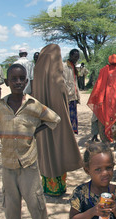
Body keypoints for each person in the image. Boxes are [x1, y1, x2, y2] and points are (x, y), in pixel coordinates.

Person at [0, 64, 61, 219]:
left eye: (21, 79)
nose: (18, 82)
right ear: (7, 82)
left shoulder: (33, 105)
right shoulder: (0, 106)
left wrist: (34, 132)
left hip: (28, 162)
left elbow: (54, 119)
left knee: (36, 201)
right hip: (8, 163)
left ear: (26, 81)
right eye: (14, 79)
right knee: (10, 201)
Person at [33, 44, 84, 197]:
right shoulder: (57, 78)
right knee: (58, 149)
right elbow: (62, 104)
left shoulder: (37, 75)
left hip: (41, 124)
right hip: (57, 124)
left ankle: (49, 187)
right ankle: (59, 187)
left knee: (46, 150)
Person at [87, 54, 116, 142]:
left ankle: (105, 138)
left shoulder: (104, 70)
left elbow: (98, 86)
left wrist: (98, 99)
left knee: (104, 118)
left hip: (105, 101)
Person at [63, 49, 81, 134]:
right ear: (70, 56)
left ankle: (72, 134)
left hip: (73, 96)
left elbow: (75, 81)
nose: (76, 59)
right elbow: (64, 82)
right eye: (75, 57)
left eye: (78, 57)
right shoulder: (64, 67)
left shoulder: (74, 66)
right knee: (68, 117)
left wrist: (77, 95)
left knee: (73, 117)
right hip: (68, 96)